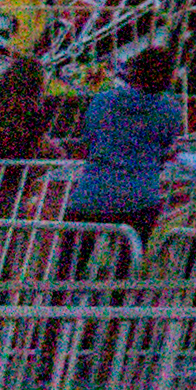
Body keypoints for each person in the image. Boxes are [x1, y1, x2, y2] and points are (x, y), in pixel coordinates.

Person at [61, 47, 180, 269]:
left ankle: (57, 300)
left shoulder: (102, 101)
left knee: (70, 265)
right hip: (141, 195)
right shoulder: (170, 109)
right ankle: (118, 300)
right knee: (126, 268)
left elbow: (89, 137)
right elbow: (166, 145)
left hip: (94, 191)